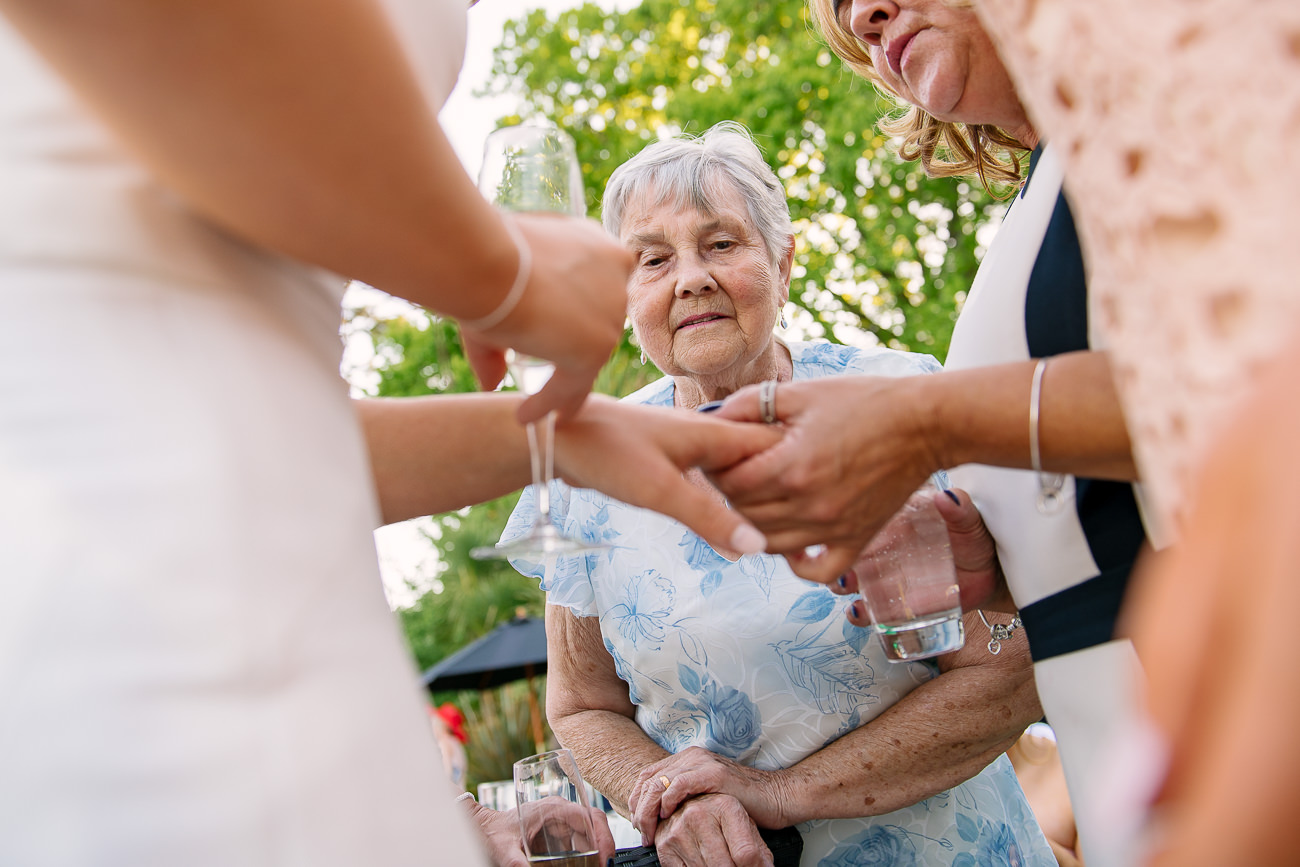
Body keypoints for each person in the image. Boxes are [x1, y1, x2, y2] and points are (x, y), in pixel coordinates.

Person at [0, 2, 779, 864]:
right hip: (129, 602)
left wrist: (574, 439)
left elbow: (265, 430)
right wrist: (499, 270)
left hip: (281, 583)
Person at [502, 124, 1055, 867]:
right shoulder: (584, 467)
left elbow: (1011, 671)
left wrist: (779, 790)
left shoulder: (905, 398)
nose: (690, 277)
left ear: (786, 262)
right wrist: (673, 798)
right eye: (653, 259)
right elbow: (580, 704)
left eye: (722, 244)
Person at [703, 1, 1155, 861]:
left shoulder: (1158, 106)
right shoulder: (1028, 209)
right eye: (840, 12)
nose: (863, 15)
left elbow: (1247, 391)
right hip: (1122, 763)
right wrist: (995, 564)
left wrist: (917, 420)